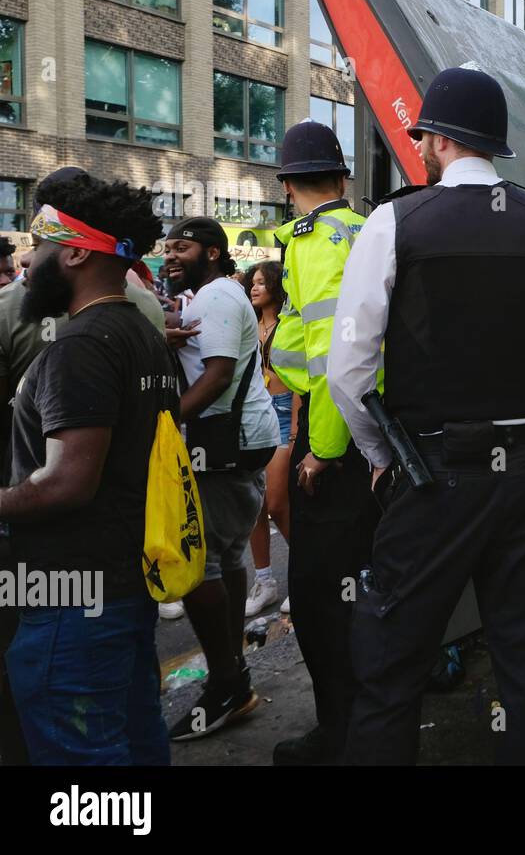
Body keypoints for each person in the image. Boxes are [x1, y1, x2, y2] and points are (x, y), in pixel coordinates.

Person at [329, 66, 525, 765]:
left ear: (436, 138)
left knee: (391, 663)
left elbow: (347, 369)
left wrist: (381, 455)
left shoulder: (395, 222)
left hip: (430, 474)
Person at [0, 173, 173, 765]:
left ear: (74, 250)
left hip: (73, 600)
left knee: (85, 765)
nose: (30, 256)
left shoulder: (83, 344)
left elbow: (68, 483)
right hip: (121, 588)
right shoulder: (142, 335)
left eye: (41, 243)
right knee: (132, 746)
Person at [269, 121, 378, 766]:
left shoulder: (315, 244)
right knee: (355, 587)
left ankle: (341, 737)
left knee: (317, 598)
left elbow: (339, 360)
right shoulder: (365, 232)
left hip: (338, 438)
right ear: (342, 178)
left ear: (287, 186)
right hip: (371, 433)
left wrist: (324, 451)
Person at [163, 218, 278, 742]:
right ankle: (233, 674)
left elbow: (216, 374)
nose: (169, 256)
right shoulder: (212, 297)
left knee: (200, 563)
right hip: (239, 440)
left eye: (181, 248)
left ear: (212, 252)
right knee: (227, 555)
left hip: (224, 443)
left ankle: (226, 685)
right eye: (166, 247)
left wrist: (162, 428)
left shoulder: (214, 297)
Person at [243, 261, 295, 617]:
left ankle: (307, 570)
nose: (254, 287)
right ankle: (265, 581)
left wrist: (294, 425)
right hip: (255, 411)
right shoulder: (249, 324)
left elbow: (298, 377)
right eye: (252, 282)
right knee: (254, 507)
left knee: (277, 503)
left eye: (262, 282)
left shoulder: (290, 324)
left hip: (283, 410)